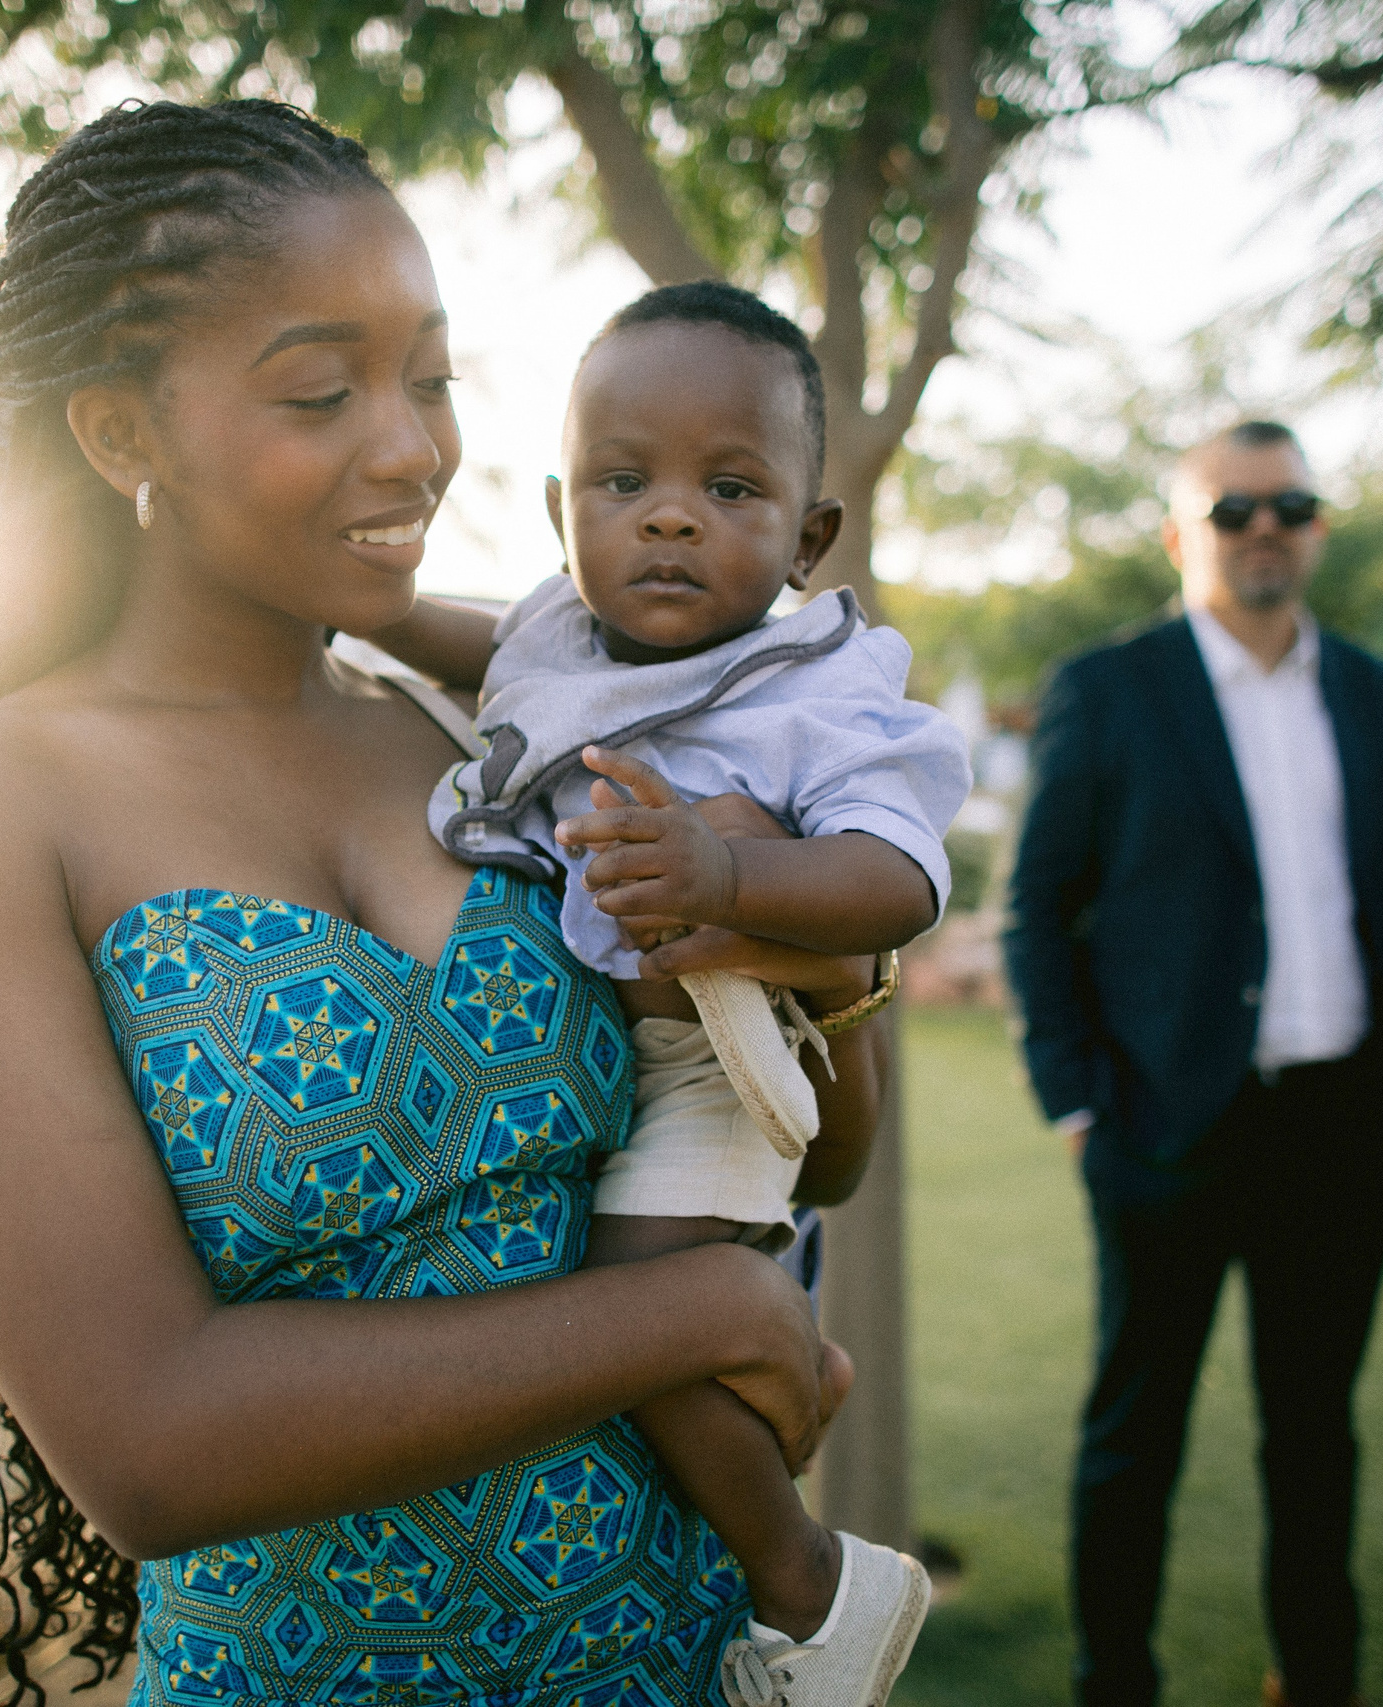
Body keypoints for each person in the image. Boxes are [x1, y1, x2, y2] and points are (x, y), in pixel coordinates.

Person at [0, 100, 898, 1707]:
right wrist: (701, 1304)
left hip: (678, 1657)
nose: (411, 446)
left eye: (432, 378)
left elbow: (819, 1145)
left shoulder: (492, 735)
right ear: (122, 434)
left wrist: (802, 941)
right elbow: (153, 1441)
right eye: (323, 391)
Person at [363, 280, 972, 1701]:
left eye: (730, 484)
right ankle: (794, 1386)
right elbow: (485, 652)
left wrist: (728, 876)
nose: (672, 515)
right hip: (621, 1059)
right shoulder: (561, 641)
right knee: (638, 1296)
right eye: (625, 482)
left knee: (639, 1305)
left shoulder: (816, 685)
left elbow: (899, 881)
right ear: (563, 509)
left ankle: (813, 1585)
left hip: (721, 1048)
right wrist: (380, 623)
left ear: (809, 535)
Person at [1003, 421, 1383, 1707]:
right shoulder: (1112, 686)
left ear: (1313, 526)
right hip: (1165, 1124)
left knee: (1315, 1432)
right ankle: (1113, 1680)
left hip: (1345, 1125)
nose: (1263, 530)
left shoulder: (1366, 685)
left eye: (1288, 506)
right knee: (1135, 1433)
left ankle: (1316, 1676)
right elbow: (1039, 906)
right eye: (1233, 510)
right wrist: (1077, 1100)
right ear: (1180, 534)